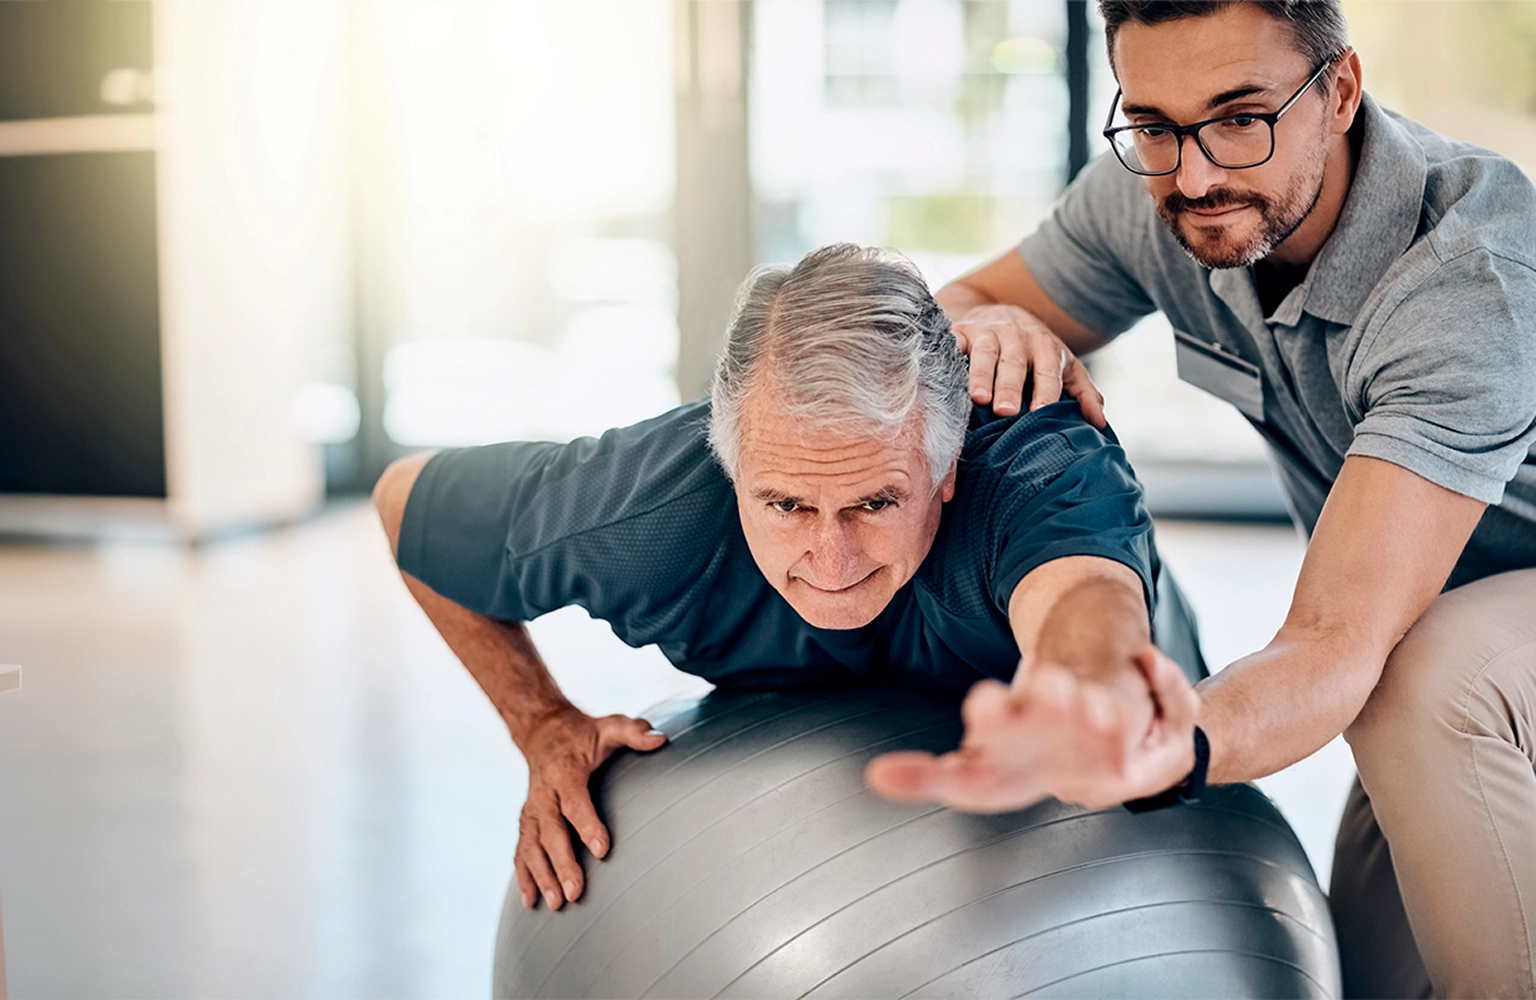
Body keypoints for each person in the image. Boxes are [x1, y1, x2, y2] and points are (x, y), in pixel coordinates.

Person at [865, 2, 1536, 997]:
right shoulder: (1155, 191)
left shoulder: (1464, 284)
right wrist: (997, 321)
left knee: (1417, 681)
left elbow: (1332, 644)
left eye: (1240, 118)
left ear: (1340, 91)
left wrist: (1157, 745)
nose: (1196, 175)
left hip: (1457, 645)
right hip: (1429, 628)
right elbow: (941, 315)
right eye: (1154, 124)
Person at [371, 244, 1204, 916]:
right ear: (729, 467)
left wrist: (1086, 688)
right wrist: (542, 723)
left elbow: (1083, 602)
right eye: (786, 504)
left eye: (877, 500)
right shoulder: (649, 508)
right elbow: (405, 503)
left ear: (948, 467)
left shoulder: (1036, 462)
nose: (832, 562)